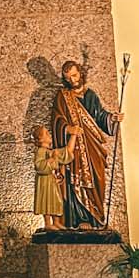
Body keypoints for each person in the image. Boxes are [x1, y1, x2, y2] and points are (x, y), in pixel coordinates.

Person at [50, 58, 120, 228]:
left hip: (92, 146)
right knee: (76, 180)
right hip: (74, 148)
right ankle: (80, 219)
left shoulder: (90, 95)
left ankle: (96, 218)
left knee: (97, 177)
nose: (72, 80)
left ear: (80, 73)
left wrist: (112, 118)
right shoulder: (62, 97)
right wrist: (68, 129)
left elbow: (99, 116)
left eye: (74, 75)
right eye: (68, 78)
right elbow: (56, 120)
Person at [32, 124, 72, 229]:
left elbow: (65, 154)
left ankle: (56, 221)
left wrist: (74, 136)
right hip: (44, 181)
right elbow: (39, 166)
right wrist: (51, 159)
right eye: (46, 133)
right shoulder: (40, 151)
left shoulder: (50, 151)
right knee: (47, 200)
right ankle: (48, 223)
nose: (49, 135)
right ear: (40, 139)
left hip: (52, 180)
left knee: (56, 200)